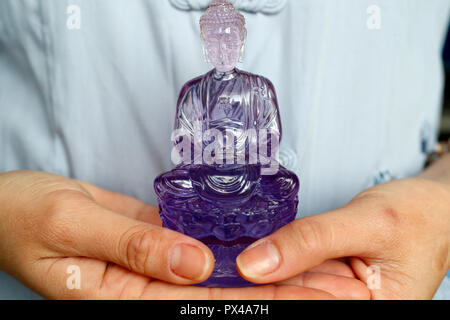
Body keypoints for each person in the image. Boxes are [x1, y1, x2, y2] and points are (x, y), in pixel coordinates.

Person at [0, 0, 449, 300]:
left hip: (256, 184)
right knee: (172, 187)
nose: (223, 46)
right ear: (207, 42)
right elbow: (183, 146)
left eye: (230, 40)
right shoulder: (195, 91)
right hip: (195, 186)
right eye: (215, 40)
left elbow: (269, 143)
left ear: (239, 41)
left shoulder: (257, 89)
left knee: (281, 185)